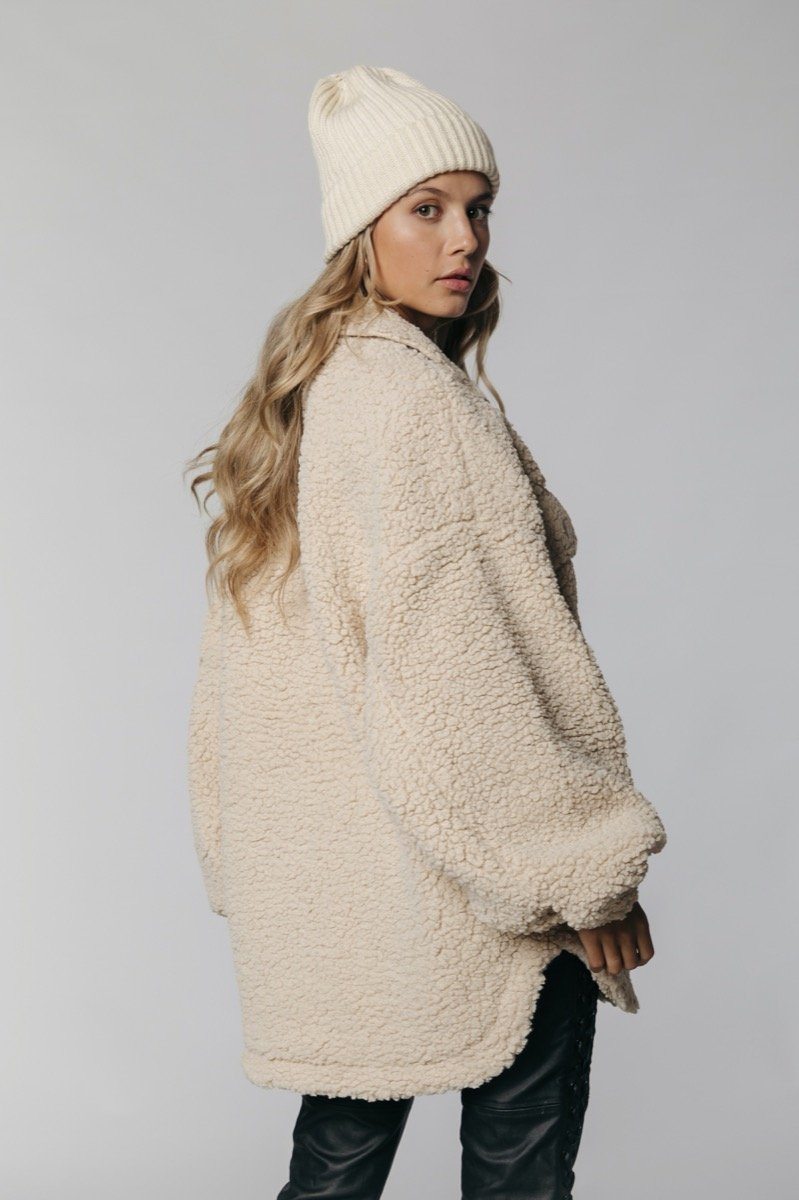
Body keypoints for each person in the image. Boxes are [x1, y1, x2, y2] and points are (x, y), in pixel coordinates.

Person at [184, 64, 668, 1199]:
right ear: (361, 230)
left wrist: (247, 864)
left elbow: (228, 698)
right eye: (426, 208)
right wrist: (583, 869)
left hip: (348, 891)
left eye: (478, 208)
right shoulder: (412, 408)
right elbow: (459, 680)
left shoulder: (312, 400)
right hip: (483, 882)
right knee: (514, 1177)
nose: (465, 239)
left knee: (334, 1171)